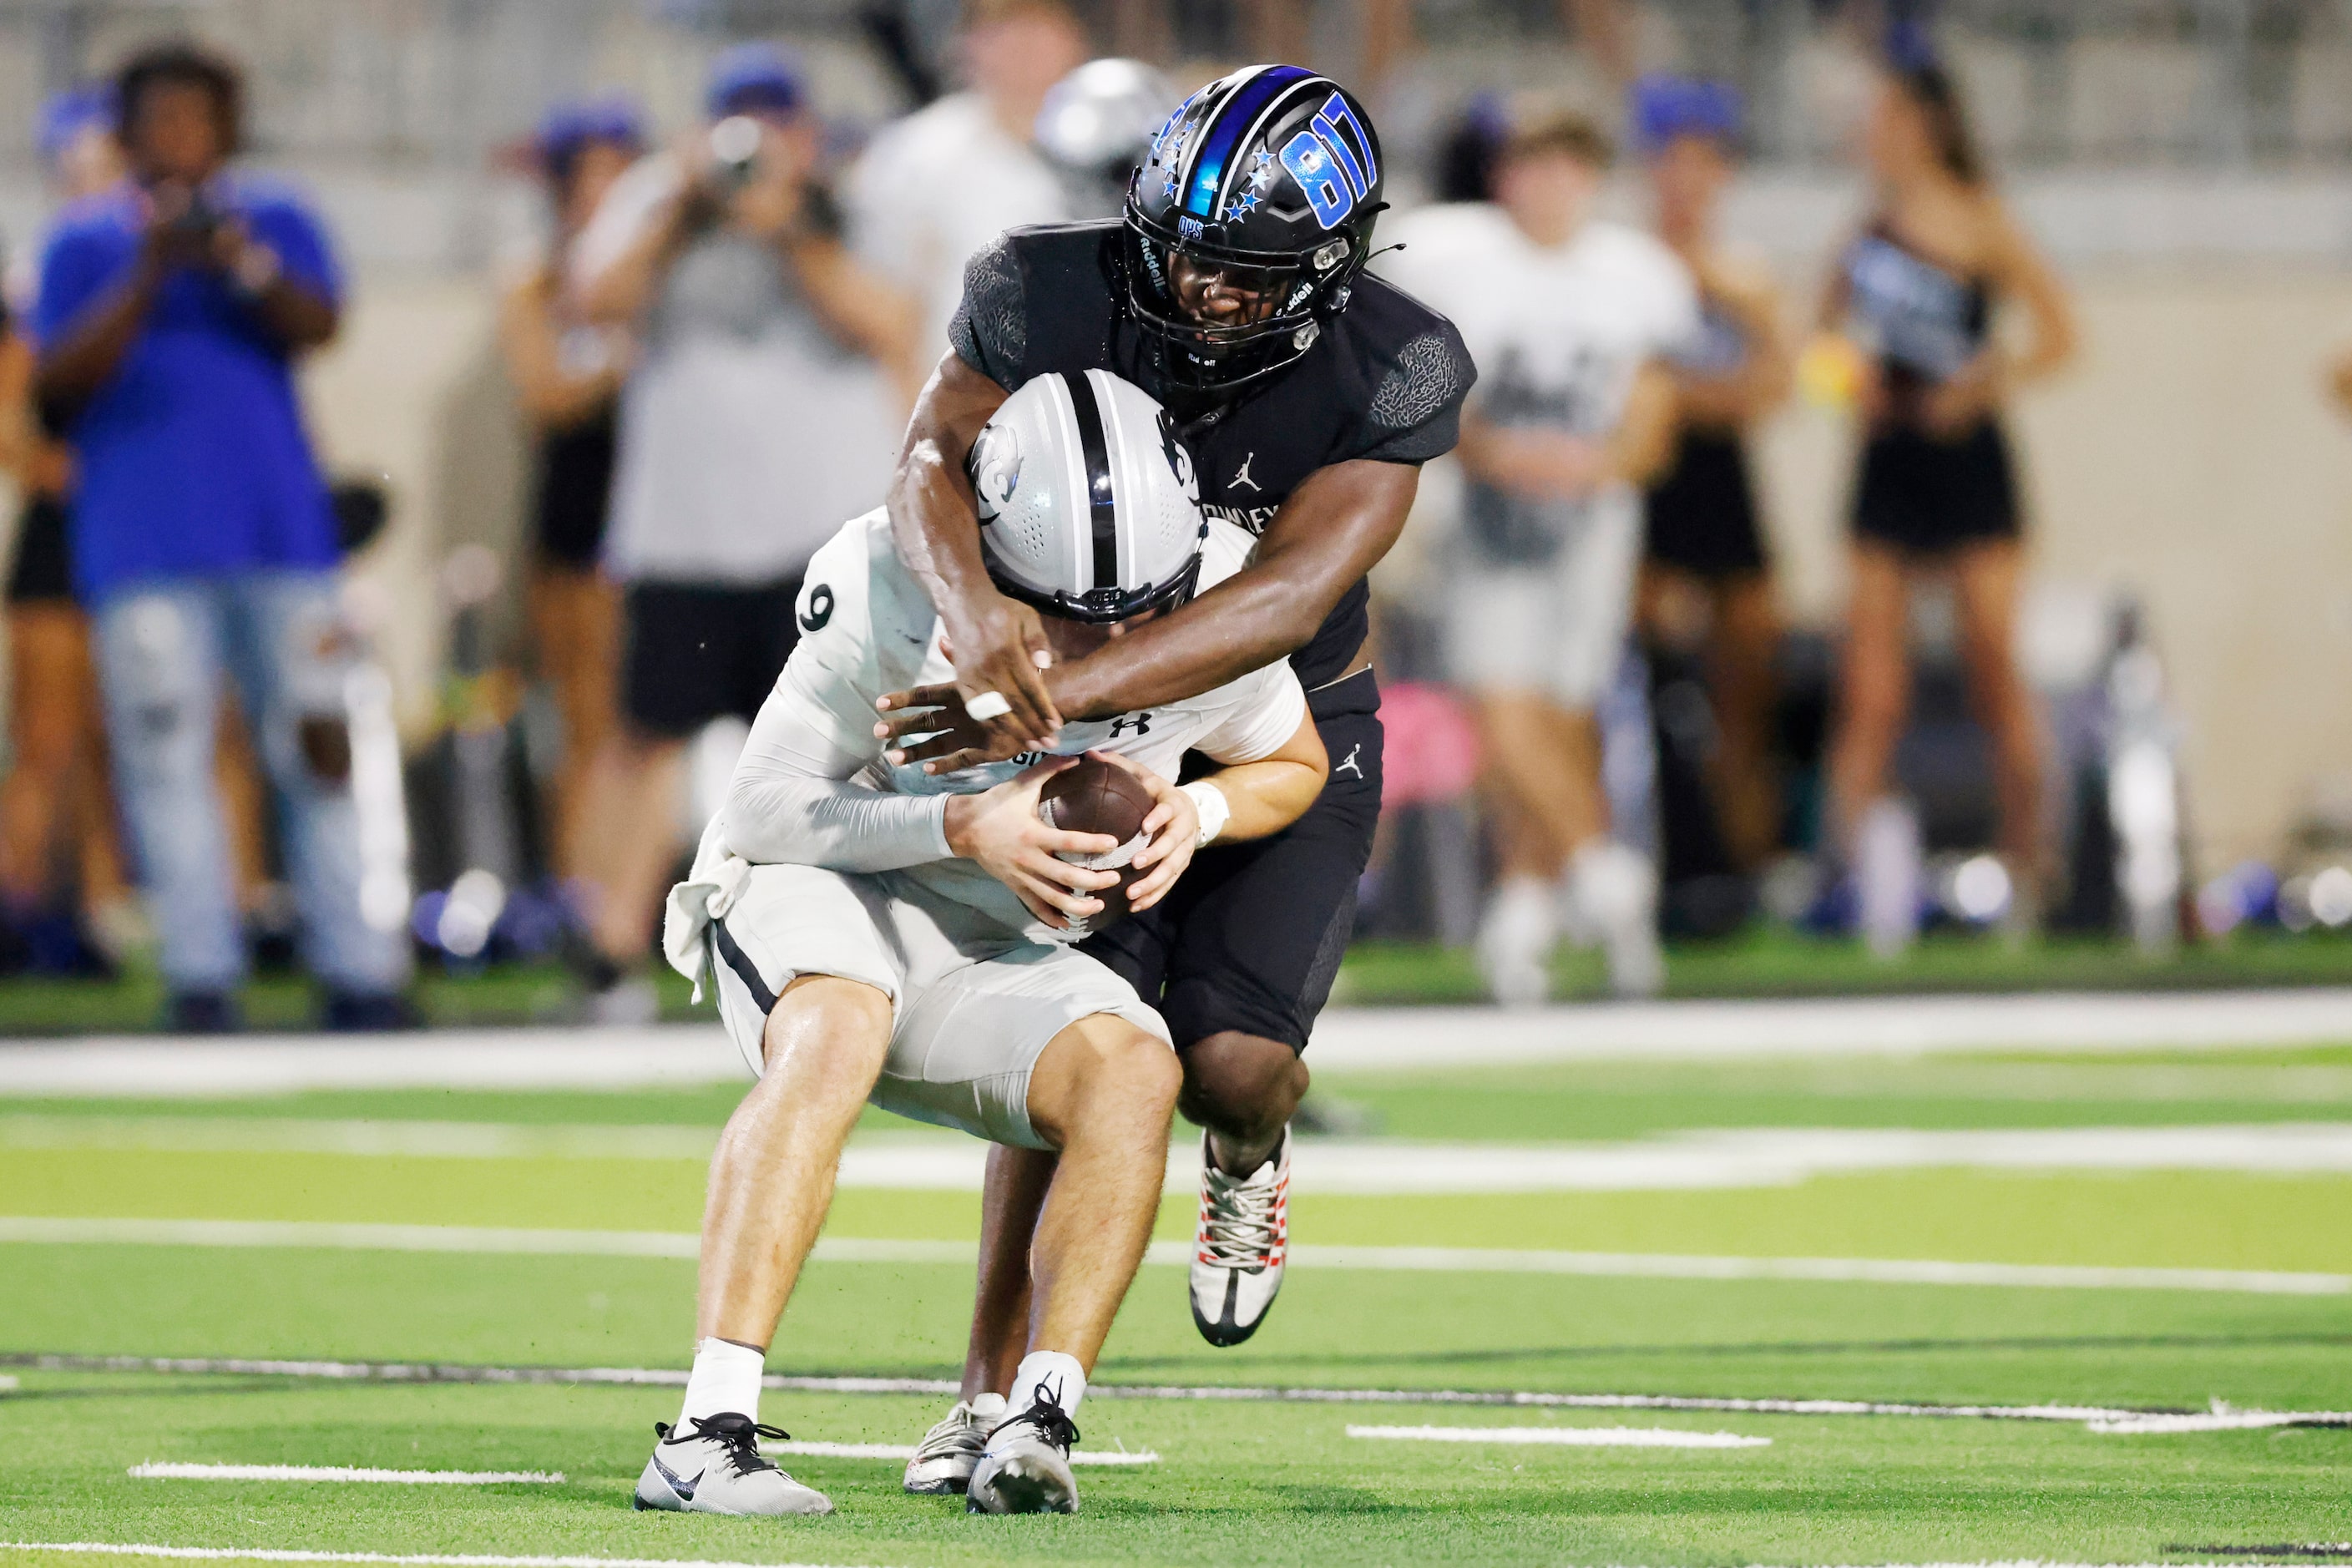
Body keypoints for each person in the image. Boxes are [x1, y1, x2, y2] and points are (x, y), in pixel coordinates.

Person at [869, 64, 1471, 1404]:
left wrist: (1047, 693)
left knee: (1235, 1069)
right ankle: (984, 1382)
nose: (1206, 294)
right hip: (1076, 711)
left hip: (1276, 721)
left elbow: (1287, 597)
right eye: (1188, 258)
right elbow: (928, 456)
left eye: (1248, 274)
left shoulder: (1399, 360)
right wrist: (974, 623)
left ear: (1333, 262)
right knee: (1070, 1040)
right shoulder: (1045, 283)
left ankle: (1249, 1161)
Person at [643, 371, 1328, 1517]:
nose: (1110, 641)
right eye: (1071, 611)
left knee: (1135, 1064)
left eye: (1139, 610)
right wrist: (954, 819)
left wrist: (1192, 815)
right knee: (839, 1021)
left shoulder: (1214, 591)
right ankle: (708, 1428)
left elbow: (1291, 762)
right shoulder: (886, 580)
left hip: (982, 937)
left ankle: (1034, 1414)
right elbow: (761, 808)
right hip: (823, 883)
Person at [33, 43, 410, 1031]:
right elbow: (51, 386)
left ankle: (359, 970)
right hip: (145, 546)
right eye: (157, 123)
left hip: (282, 538)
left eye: (194, 122)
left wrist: (239, 260)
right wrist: (150, 268)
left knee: (323, 749)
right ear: (124, 136)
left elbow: (317, 324)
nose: (176, 142)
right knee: (167, 758)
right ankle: (202, 971)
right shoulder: (83, 243)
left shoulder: (274, 222)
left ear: (226, 131)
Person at [567, 44, 914, 1019]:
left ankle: (878, 943)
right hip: (685, 535)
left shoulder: (852, 200)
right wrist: (685, 209)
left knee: (856, 749)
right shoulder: (657, 200)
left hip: (821, 537)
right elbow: (594, 305)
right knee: (645, 741)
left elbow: (892, 323)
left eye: (775, 125)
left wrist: (790, 230)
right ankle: (609, 956)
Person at [1381, 109, 1696, 1004]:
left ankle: (1522, 909)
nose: (1550, 187)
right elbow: (1417, 381)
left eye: (1568, 166)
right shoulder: (1449, 256)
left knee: (1563, 718)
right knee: (1501, 707)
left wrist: (1595, 463)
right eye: (1532, 165)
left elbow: (1655, 410)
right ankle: (1607, 876)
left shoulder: (1635, 274)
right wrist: (1495, 453)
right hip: (1484, 515)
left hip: (1593, 522)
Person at [1816, 61, 2075, 937]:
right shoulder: (1867, 232)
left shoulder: (1981, 222)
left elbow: (2060, 337)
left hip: (1970, 467)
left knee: (1995, 668)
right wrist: (1855, 389)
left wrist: (1980, 384)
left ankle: (2028, 871)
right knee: (1872, 686)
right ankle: (1848, 880)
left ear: (1925, 124)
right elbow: (1819, 351)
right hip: (1889, 467)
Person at [1636, 76, 1792, 872]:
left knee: (1744, 692)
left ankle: (1747, 860)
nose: (1686, 182)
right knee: (1644, 679)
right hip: (1647, 491)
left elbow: (1775, 386)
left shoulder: (1742, 276)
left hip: (1721, 482)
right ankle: (1664, 853)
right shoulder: (1624, 269)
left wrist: (1684, 397)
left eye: (1702, 165)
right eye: (1672, 164)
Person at [0, 84, 131, 976]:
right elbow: (15, 428)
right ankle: (22, 902)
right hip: (66, 529)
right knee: (48, 734)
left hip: (144, 535)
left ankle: (105, 903)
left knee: (137, 731)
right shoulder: (36, 283)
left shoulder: (150, 271)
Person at [497, 95, 642, 885]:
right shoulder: (537, 279)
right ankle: (581, 889)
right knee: (588, 721)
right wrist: (626, 355)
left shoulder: (659, 265)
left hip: (665, 513)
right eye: (588, 183)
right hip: (581, 511)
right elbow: (546, 392)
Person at [846, 0, 1089, 382]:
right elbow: (886, 321)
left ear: (1073, 36)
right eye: (1001, 27)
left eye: (1039, 24)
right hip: (961, 413)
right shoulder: (913, 154)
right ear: (966, 43)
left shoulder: (1123, 151)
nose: (1023, 45)